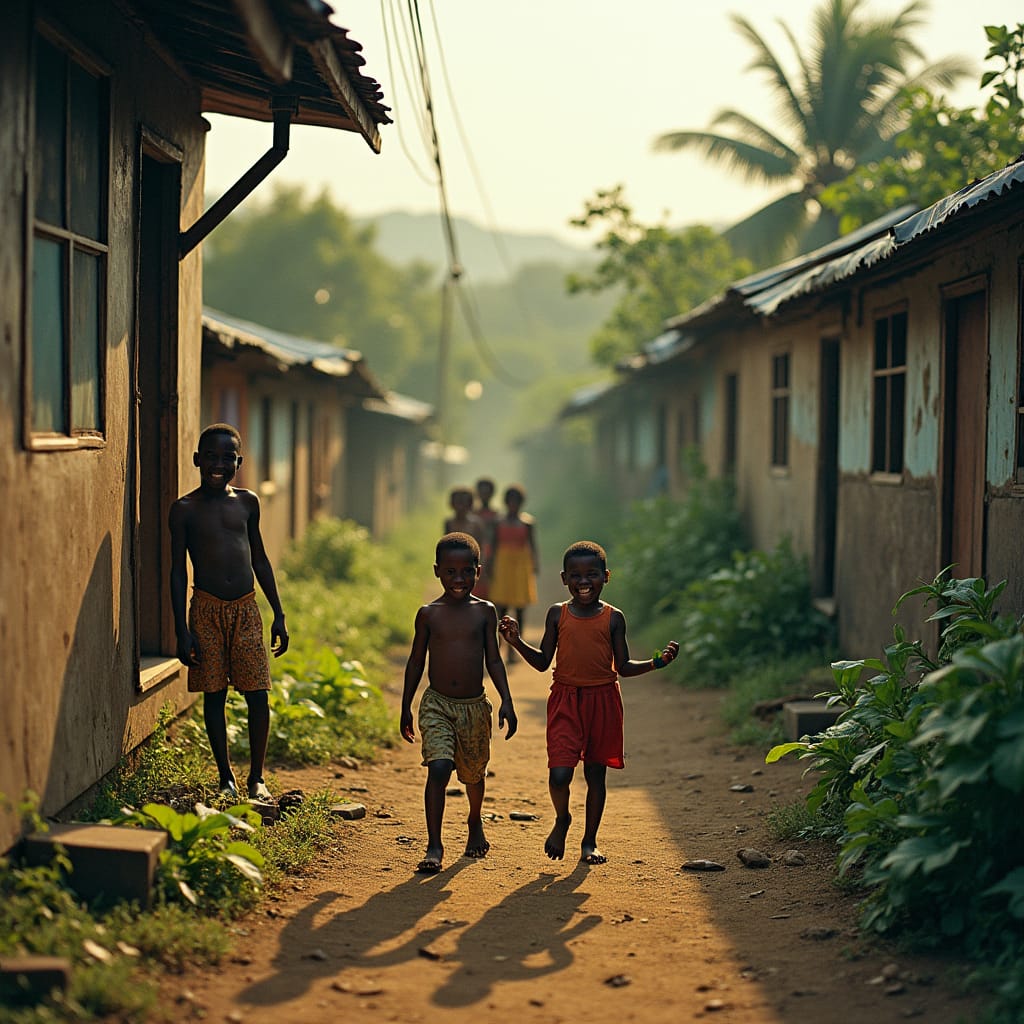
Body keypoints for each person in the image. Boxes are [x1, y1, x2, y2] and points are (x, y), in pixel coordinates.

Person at [499, 540, 678, 865]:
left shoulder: (613, 618)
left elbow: (622, 667)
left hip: (604, 702)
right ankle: (562, 819)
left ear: (606, 576)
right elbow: (542, 662)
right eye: (576, 575)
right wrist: (516, 642)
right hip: (565, 700)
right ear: (564, 578)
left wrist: (657, 662)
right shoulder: (557, 614)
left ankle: (589, 841)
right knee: (560, 775)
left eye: (592, 574)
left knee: (596, 776)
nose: (584, 582)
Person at [169, 423, 289, 803]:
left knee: (258, 693)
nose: (218, 465)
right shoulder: (184, 510)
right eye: (210, 457)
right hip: (205, 610)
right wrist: (181, 630)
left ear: (238, 461)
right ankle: (225, 777)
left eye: (227, 458)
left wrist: (279, 614)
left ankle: (257, 777)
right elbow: (176, 571)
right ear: (197, 460)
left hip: (246, 609)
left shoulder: (247, 502)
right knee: (214, 694)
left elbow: (260, 558)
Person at [401, 532, 518, 874]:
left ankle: (474, 819)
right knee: (438, 768)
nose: (459, 579)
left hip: (474, 708)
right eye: (450, 572)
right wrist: (406, 705)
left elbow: (494, 661)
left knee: (472, 775)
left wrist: (507, 699)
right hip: (437, 704)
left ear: (478, 572)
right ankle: (434, 844)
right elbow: (415, 662)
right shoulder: (428, 614)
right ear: (437, 571)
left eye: (466, 571)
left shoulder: (485, 612)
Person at [488, 484, 538, 659]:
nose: (513, 504)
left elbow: (533, 545)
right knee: (500, 608)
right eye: (510, 501)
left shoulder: (527, 523)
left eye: (516, 501)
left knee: (520, 608)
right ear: (505, 502)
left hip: (521, 567)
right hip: (502, 566)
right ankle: (498, 646)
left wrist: (534, 565)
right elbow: (493, 547)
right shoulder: (498, 523)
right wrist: (489, 566)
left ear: (521, 503)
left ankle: (514, 649)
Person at [472, 477, 498, 599]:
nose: (484, 495)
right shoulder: (472, 514)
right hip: (476, 550)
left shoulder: (496, 515)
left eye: (487, 492)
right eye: (482, 492)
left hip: (492, 552)